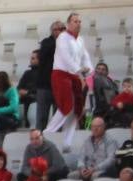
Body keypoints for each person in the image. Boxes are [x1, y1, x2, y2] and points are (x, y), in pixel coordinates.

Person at [45, 13, 92, 148]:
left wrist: (89, 69)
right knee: (67, 105)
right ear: (69, 24)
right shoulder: (62, 37)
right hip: (61, 74)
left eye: (79, 21)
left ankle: (67, 142)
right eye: (75, 21)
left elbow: (85, 56)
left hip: (74, 75)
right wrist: (79, 70)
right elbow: (65, 57)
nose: (78, 23)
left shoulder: (80, 40)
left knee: (77, 108)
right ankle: (48, 133)